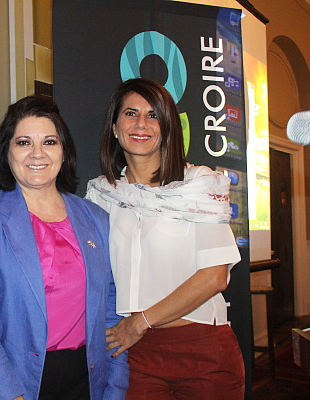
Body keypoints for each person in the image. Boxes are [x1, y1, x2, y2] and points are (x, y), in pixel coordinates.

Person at [0, 96, 128, 400]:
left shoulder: (96, 218)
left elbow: (111, 312)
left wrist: (115, 386)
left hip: (87, 380)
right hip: (12, 381)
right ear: (6, 152)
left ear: (64, 151)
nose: (37, 153)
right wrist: (7, 395)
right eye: (23, 142)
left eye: (49, 141)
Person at [86, 78, 244, 399]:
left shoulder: (199, 184)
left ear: (167, 127)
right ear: (115, 128)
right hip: (133, 353)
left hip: (202, 347)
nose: (141, 123)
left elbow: (215, 276)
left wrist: (140, 322)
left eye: (153, 115)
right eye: (130, 113)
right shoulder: (100, 195)